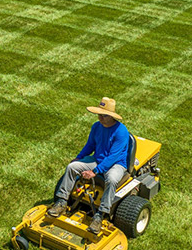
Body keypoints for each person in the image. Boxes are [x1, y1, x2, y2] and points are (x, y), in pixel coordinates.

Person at [47, 97, 130, 235]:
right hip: (98, 159)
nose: (100, 118)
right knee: (72, 167)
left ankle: (100, 214)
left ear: (111, 117)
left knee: (112, 179)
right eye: (99, 114)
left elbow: (113, 156)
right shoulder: (96, 127)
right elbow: (90, 145)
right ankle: (61, 201)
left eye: (103, 116)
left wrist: (95, 171)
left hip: (116, 164)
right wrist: (79, 158)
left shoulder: (121, 132)